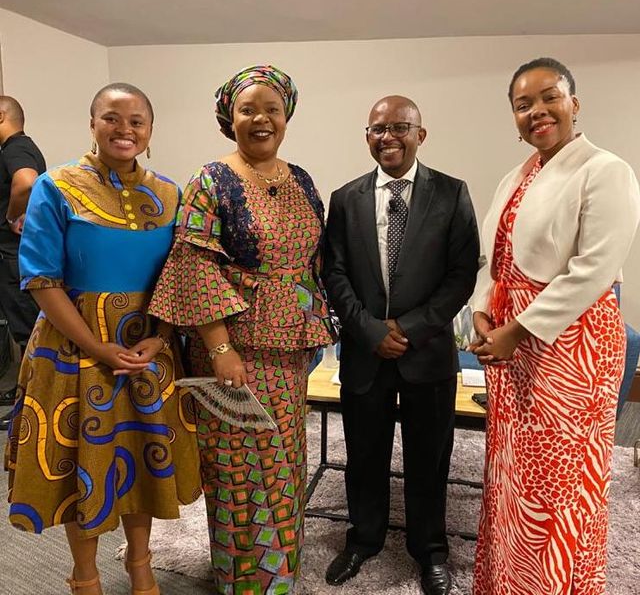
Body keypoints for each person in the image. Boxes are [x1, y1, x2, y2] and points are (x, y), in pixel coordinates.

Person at [5, 83, 201, 595]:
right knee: (80, 465)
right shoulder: (56, 185)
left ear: (150, 131)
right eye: (112, 118)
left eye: (137, 120)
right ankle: (84, 575)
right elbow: (42, 279)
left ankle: (141, 567)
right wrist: (95, 346)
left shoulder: (171, 193)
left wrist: (160, 337)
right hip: (74, 349)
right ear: (92, 123)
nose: (125, 129)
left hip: (148, 349)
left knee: (142, 460)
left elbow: (177, 277)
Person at [148, 64, 334, 595]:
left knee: (284, 460)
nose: (261, 119)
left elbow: (314, 259)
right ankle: (243, 581)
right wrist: (222, 348)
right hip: (233, 347)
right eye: (248, 108)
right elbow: (193, 264)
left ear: (287, 116)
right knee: (237, 467)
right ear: (229, 117)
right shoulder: (210, 179)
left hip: (292, 346)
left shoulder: (299, 178)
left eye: (272, 109)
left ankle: (281, 575)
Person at [468, 58, 640, 595]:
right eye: (523, 105)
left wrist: (516, 330)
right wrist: (480, 310)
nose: (537, 111)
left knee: (558, 483)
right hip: (512, 346)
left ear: (574, 103)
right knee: (514, 474)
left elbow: (592, 271)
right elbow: (493, 260)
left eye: (550, 97)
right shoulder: (515, 174)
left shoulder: (605, 169)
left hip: (572, 347)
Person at [322, 95, 480, 595]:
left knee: (428, 456)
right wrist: (370, 330)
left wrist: (408, 328)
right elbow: (334, 272)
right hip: (366, 351)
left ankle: (430, 549)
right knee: (364, 452)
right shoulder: (345, 198)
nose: (387, 137)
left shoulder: (452, 193)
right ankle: (363, 539)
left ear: (420, 134)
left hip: (426, 351)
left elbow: (461, 275)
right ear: (366, 136)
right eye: (377, 129)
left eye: (399, 128)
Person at [0, 96, 46, 429]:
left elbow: (26, 182)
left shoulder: (16, 148)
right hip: (13, 254)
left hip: (14, 255)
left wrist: (11, 214)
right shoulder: (17, 148)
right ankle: (24, 399)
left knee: (28, 330)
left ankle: (33, 406)